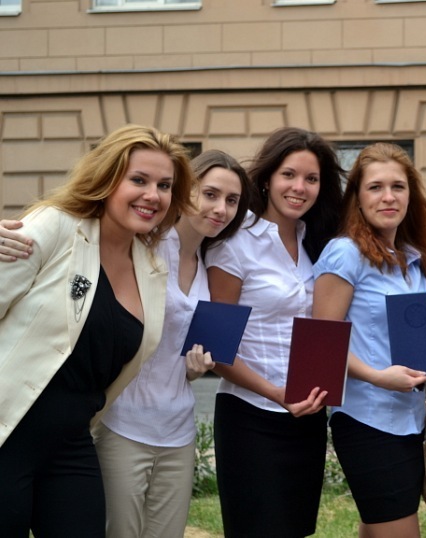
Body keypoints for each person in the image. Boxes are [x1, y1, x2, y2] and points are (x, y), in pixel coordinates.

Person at [0, 150, 250, 537]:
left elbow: (149, 344)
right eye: (139, 180)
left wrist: (192, 368)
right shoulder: (78, 230)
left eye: (163, 185)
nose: (221, 209)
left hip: (92, 435)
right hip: (36, 426)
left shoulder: (173, 263)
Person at [93, 149, 251, 538]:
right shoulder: (143, 245)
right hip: (123, 424)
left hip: (178, 428)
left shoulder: (211, 263)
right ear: (185, 190)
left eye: (232, 200)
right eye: (210, 194)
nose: (221, 209)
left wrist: (196, 369)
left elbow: (180, 347)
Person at [205, 127, 343, 537]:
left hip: (307, 417)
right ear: (267, 178)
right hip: (251, 417)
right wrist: (276, 394)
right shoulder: (234, 243)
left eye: (311, 179)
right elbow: (215, 348)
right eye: (289, 175)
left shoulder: (315, 241)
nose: (300, 187)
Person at [312, 142, 426, 538]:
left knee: (376, 527)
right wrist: (379, 377)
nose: (388, 197)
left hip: (410, 419)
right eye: (375, 187)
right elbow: (321, 340)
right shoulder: (344, 253)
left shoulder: (411, 259)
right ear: (358, 198)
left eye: (398, 187)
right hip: (367, 419)